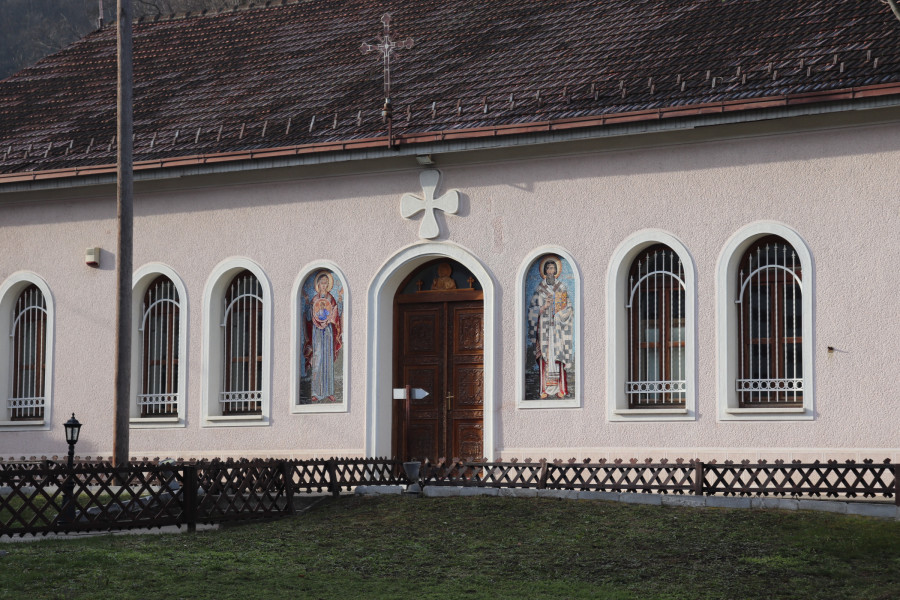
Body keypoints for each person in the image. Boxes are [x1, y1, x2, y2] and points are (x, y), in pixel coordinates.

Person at [527, 256, 573, 398]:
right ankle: (544, 390)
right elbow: (531, 310)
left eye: (553, 268)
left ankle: (561, 389)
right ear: (545, 271)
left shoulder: (562, 287)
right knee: (545, 357)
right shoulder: (539, 289)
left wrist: (559, 315)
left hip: (558, 329)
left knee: (557, 356)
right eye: (548, 268)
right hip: (544, 329)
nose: (550, 271)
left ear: (556, 270)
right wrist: (544, 307)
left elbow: (569, 308)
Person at [303, 271, 342, 402]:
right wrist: (307, 304)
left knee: (328, 360)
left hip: (328, 332)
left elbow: (335, 313)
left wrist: (329, 319)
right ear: (318, 285)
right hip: (317, 332)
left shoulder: (331, 299)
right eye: (322, 283)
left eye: (326, 283)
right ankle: (315, 392)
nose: (324, 286)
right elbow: (310, 316)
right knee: (318, 359)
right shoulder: (314, 299)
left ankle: (329, 391)